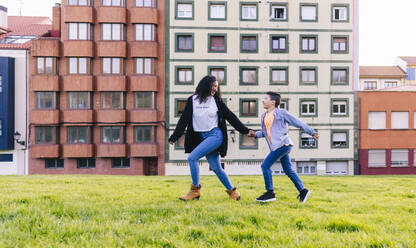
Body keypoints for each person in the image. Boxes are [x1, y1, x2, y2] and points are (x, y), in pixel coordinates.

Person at [168, 75, 256, 201]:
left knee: (192, 157)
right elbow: (184, 120)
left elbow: (231, 117)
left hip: (215, 135)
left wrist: (245, 130)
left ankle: (195, 191)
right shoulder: (192, 100)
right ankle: (233, 192)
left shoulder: (216, 102)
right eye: (213, 86)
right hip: (201, 137)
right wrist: (175, 136)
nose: (215, 89)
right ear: (205, 85)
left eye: (217, 87)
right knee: (216, 167)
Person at [248, 92, 319, 203]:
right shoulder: (264, 116)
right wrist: (255, 134)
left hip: (283, 144)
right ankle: (303, 191)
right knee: (288, 169)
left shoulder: (281, 113)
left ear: (273, 102)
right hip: (278, 146)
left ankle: (270, 193)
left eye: (265, 98)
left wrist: (311, 132)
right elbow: (265, 132)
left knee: (265, 165)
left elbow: (297, 122)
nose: (263, 100)